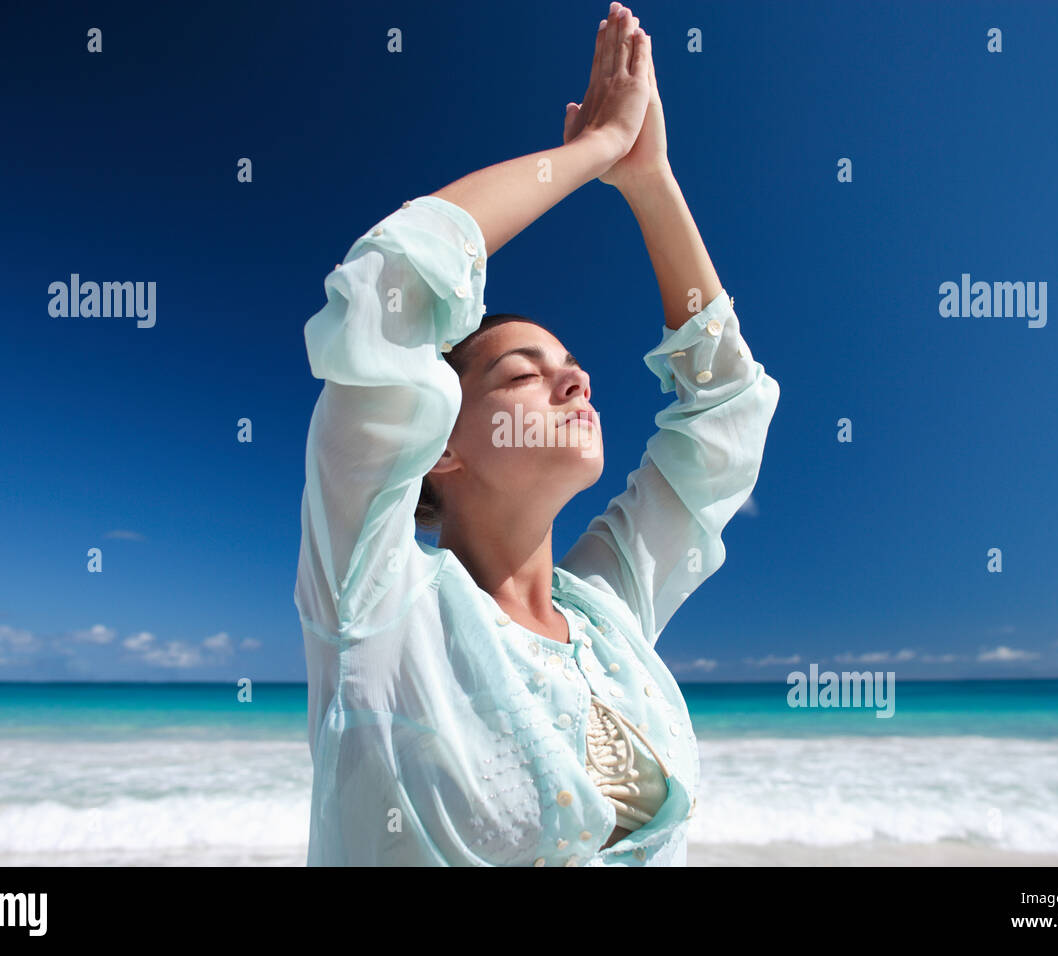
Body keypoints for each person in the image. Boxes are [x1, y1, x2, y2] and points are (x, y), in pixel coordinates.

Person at [294, 2, 780, 866]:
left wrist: (649, 181)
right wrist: (591, 153)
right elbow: (390, 286)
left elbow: (726, 414)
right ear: (439, 441)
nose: (575, 379)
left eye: (570, 364)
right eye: (521, 372)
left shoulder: (608, 612)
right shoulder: (376, 599)